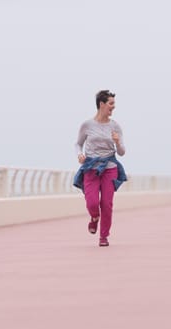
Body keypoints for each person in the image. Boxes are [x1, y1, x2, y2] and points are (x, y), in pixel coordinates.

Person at [73, 90, 127, 247]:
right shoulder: (87, 125)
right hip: (91, 167)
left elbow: (122, 152)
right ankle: (94, 217)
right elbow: (77, 143)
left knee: (107, 204)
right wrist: (80, 155)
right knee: (92, 203)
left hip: (110, 167)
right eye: (111, 103)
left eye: (114, 104)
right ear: (101, 104)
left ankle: (104, 236)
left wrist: (117, 142)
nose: (113, 107)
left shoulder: (115, 126)